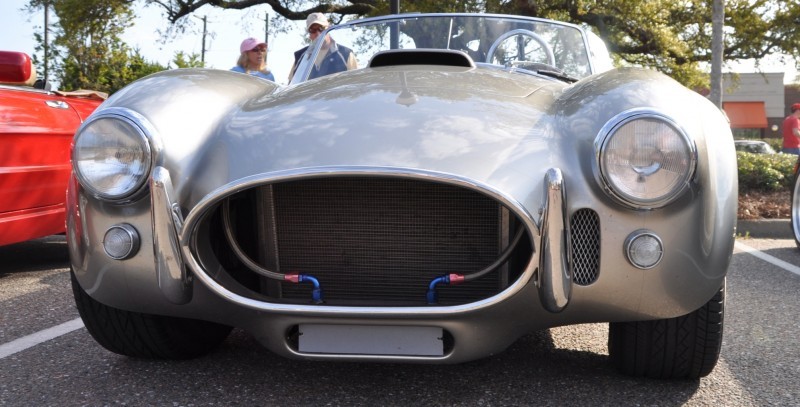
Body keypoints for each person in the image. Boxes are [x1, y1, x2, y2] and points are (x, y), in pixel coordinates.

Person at [288, 12, 358, 82]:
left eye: (321, 28)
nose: (318, 34)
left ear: (329, 28)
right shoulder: (300, 57)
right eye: (313, 30)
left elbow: (356, 83)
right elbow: (291, 87)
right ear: (309, 34)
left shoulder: (346, 54)